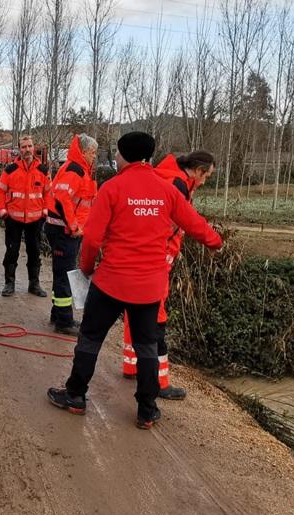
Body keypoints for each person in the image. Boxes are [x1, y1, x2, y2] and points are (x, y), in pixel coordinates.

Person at [46, 132, 223, 429]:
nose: (114, 158)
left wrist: (87, 269)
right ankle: (146, 410)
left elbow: (92, 239)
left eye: (116, 153)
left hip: (112, 282)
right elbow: (193, 223)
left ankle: (75, 395)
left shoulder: (112, 188)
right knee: (147, 347)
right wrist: (216, 242)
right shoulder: (166, 190)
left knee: (90, 339)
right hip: (149, 288)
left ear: (124, 155)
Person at [121, 151, 217, 401]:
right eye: (206, 176)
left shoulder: (163, 178)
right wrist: (216, 241)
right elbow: (188, 222)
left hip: (140, 254)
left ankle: (131, 365)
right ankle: (160, 383)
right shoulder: (177, 187)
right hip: (157, 258)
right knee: (156, 318)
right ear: (197, 171)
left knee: (136, 309)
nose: (205, 181)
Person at [44, 134, 98, 335]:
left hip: (67, 231)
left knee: (63, 273)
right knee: (64, 276)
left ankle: (58, 315)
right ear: (83, 152)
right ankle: (64, 321)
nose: (94, 156)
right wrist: (74, 227)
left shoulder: (81, 170)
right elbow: (62, 199)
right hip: (64, 231)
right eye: (92, 152)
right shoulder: (75, 170)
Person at [0, 136, 49, 298]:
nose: (27, 149)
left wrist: (45, 212)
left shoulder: (43, 170)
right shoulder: (10, 170)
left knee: (34, 252)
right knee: (12, 251)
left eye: (29, 146)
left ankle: (34, 284)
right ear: (19, 149)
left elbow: (48, 194)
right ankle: (9, 283)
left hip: (35, 220)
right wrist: (3, 211)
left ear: (34, 148)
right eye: (23, 147)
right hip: (13, 219)